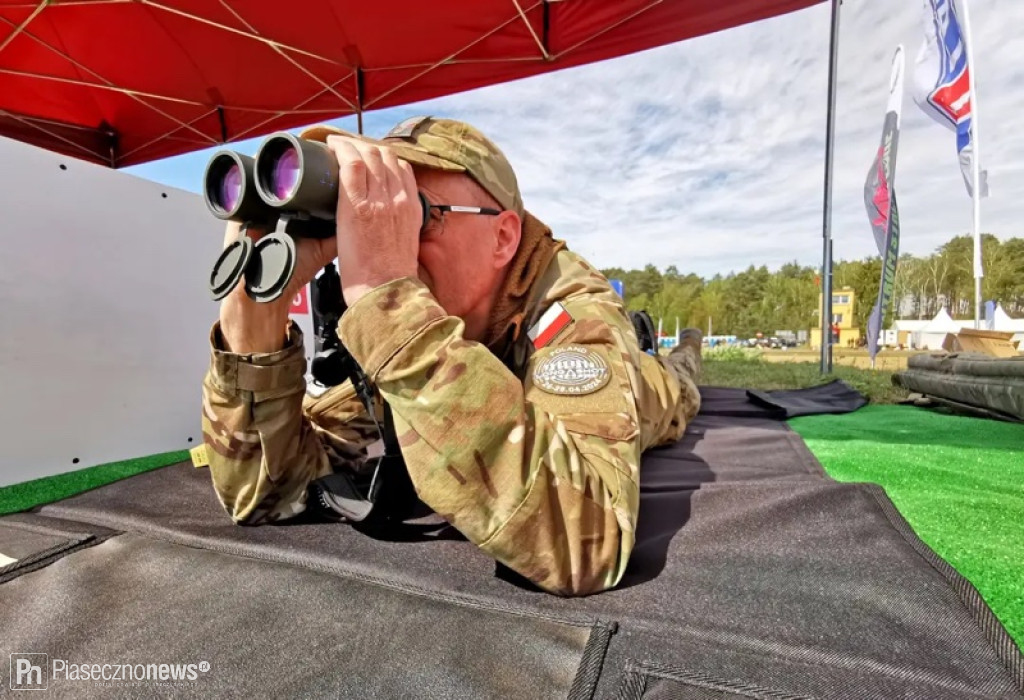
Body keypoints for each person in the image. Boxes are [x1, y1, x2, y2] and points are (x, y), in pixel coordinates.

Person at [200, 116, 702, 596]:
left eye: (414, 214)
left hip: (646, 389)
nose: (387, 236)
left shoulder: (573, 310)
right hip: (463, 348)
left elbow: (586, 541)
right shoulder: (424, 315)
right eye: (374, 214)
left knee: (679, 383)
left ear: (504, 237)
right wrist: (253, 321)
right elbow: (264, 492)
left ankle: (676, 347)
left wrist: (385, 295)